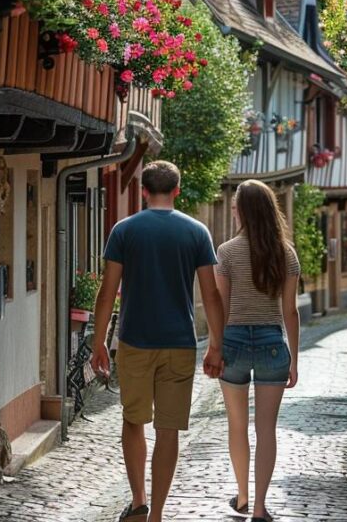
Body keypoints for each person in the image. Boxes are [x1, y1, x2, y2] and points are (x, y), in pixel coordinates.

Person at [90, 161, 225, 522]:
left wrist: (99, 341)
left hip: (134, 341)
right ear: (177, 191)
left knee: (133, 421)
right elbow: (211, 294)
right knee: (169, 429)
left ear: (144, 191)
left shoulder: (124, 231)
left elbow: (107, 292)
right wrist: (216, 344)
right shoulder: (197, 232)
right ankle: (157, 515)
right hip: (180, 343)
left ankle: (138, 502)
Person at [215, 180, 300, 522]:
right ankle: (261, 508)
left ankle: (243, 497)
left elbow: (220, 306)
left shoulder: (226, 252)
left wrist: (215, 349)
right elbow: (290, 311)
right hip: (271, 343)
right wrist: (293, 358)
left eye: (235, 206)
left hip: (233, 342)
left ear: (242, 211)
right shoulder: (286, 253)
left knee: (237, 425)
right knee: (267, 429)